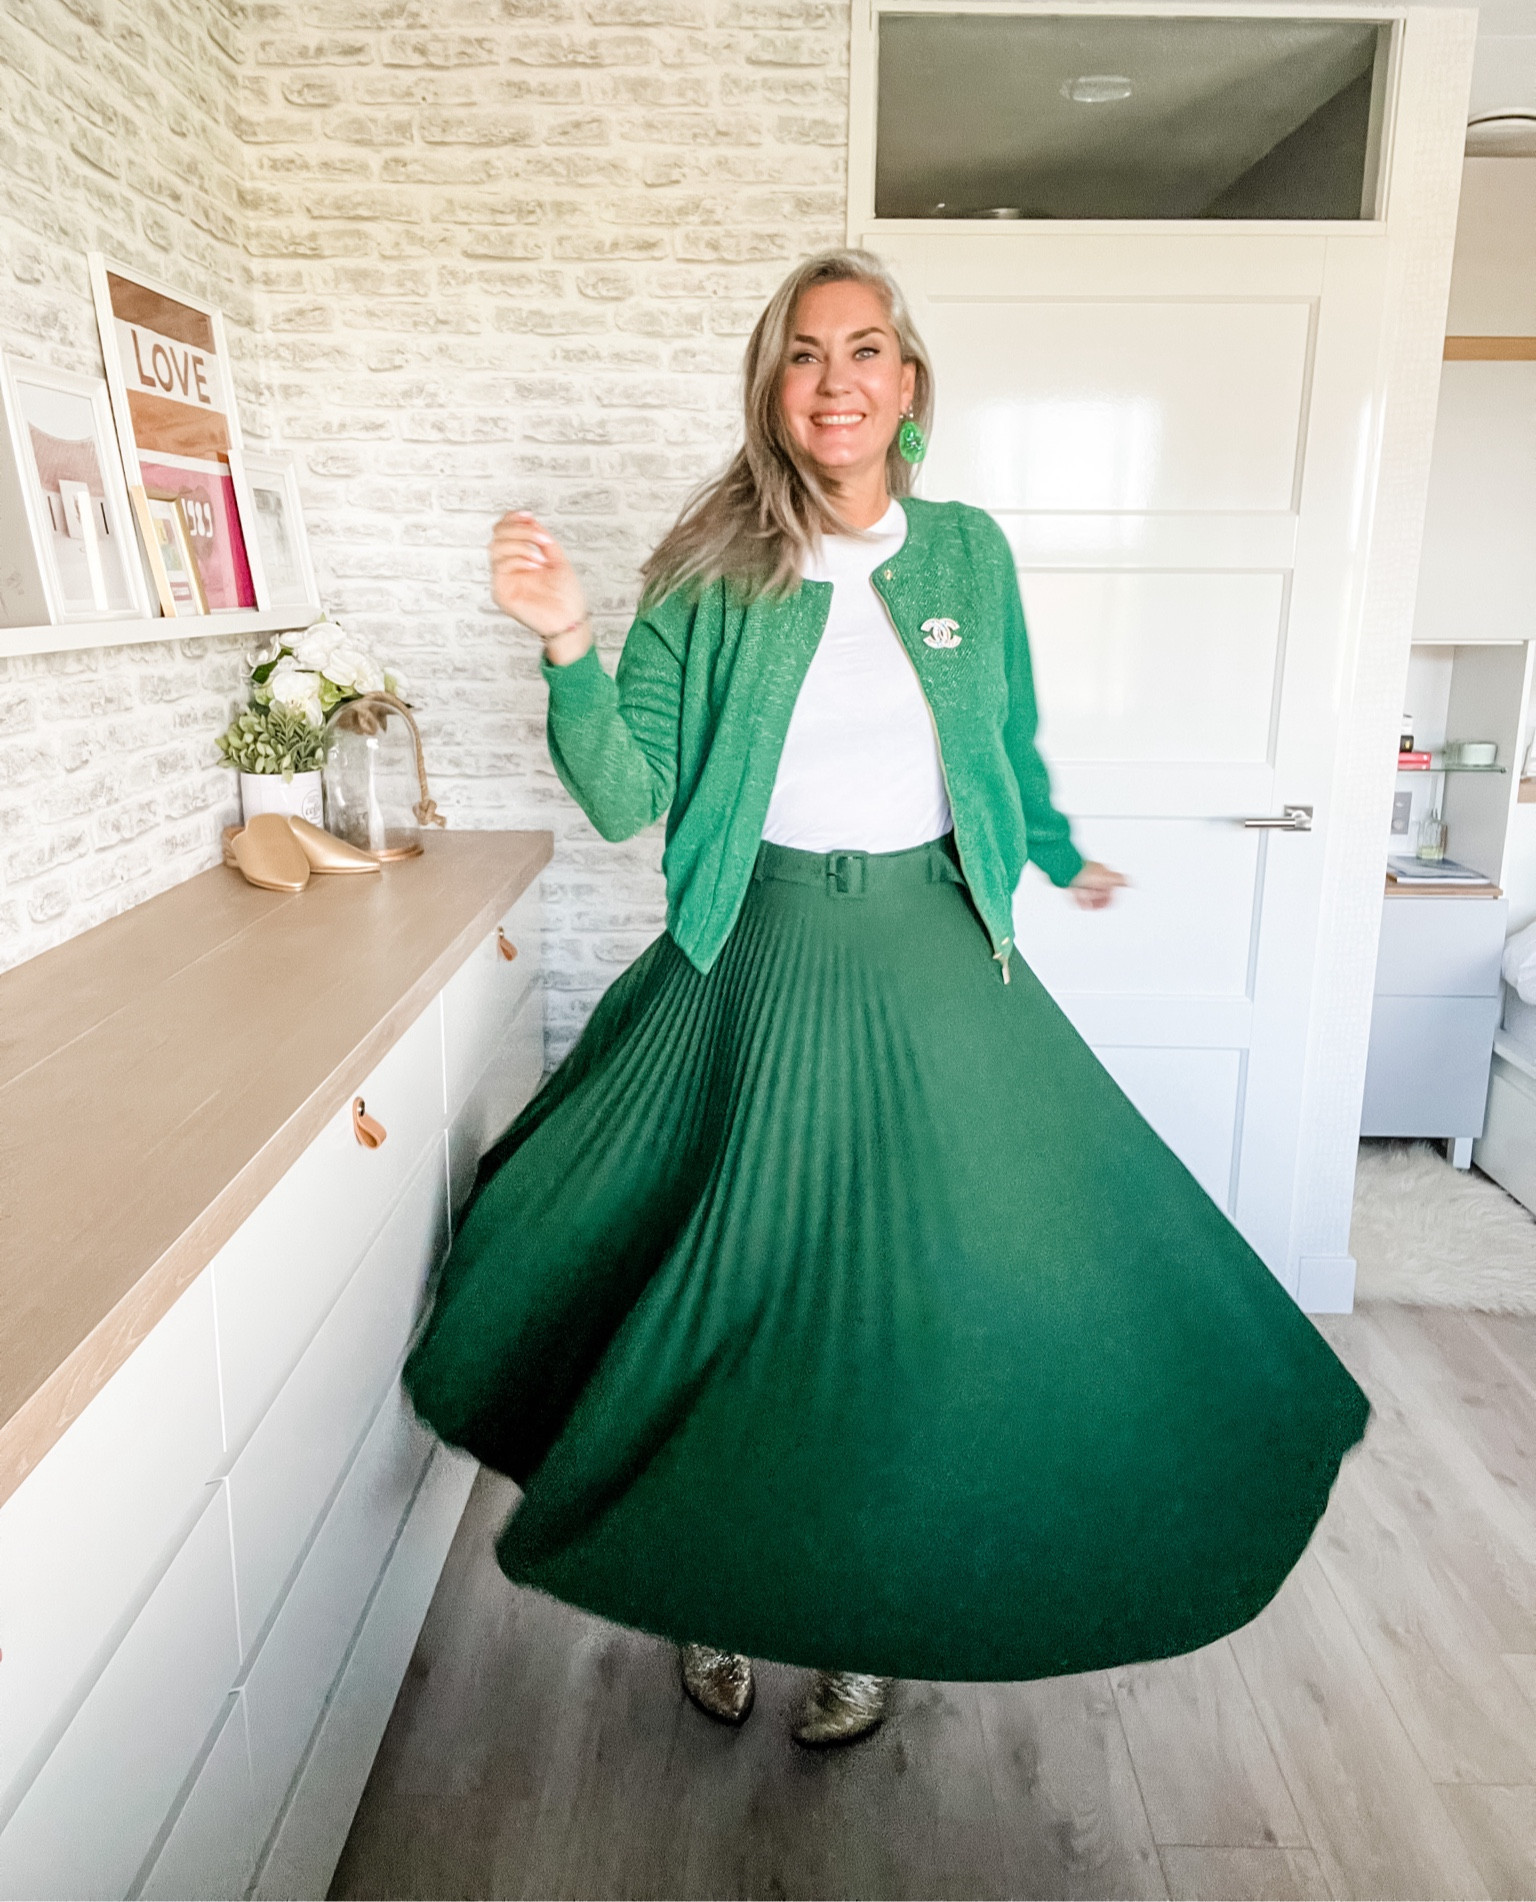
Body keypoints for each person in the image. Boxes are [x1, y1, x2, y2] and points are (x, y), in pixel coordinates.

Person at [403, 249, 1370, 1750]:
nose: (837, 379)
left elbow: (1001, 733)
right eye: (805, 355)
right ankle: (722, 1595)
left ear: (908, 383)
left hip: (934, 951)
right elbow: (619, 795)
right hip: (758, 957)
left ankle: (860, 1619)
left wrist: (1045, 847)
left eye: (866, 350)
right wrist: (568, 643)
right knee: (742, 1295)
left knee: (918, 1308)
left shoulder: (969, 552)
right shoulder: (710, 569)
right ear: (772, 390)